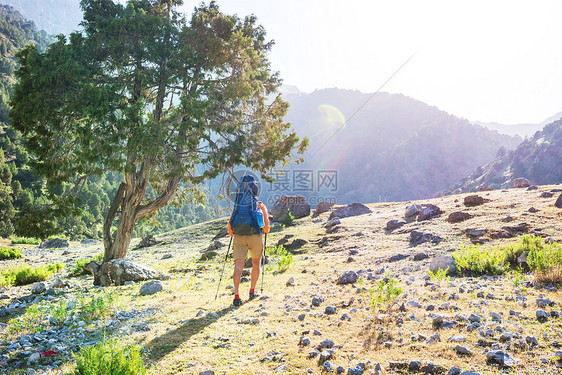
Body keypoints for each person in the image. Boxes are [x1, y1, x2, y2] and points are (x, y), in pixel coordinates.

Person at [228, 175, 269, 307]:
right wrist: (264, 231)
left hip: (239, 237)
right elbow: (266, 227)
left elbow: (230, 226)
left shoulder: (238, 205)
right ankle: (252, 291)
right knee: (256, 262)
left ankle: (237, 296)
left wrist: (233, 234)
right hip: (255, 236)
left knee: (238, 265)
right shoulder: (259, 205)